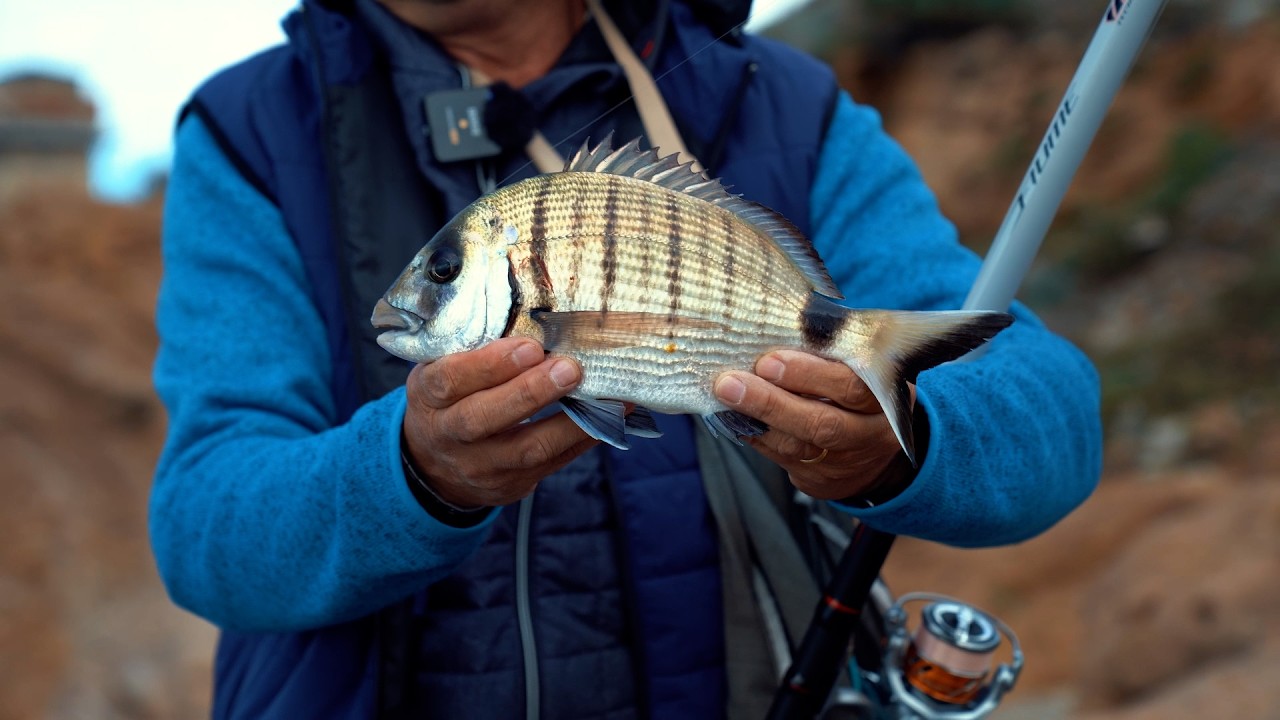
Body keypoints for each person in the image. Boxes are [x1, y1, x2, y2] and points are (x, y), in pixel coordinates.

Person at [149, 0, 1102, 717]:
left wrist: (903, 440)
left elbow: (1048, 417)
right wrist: (409, 475)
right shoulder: (252, 134)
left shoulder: (787, 107)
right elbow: (201, 524)